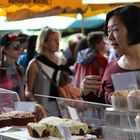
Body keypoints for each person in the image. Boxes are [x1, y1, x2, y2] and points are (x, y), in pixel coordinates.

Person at [80, 4, 140, 104]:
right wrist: (86, 91)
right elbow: (102, 105)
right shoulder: (111, 67)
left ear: (135, 29)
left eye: (115, 29)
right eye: (108, 31)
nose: (110, 37)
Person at [25, 28, 67, 117]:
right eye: (54, 40)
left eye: (58, 40)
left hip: (62, 111)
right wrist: (36, 106)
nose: (58, 43)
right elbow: (28, 91)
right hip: (43, 113)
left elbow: (65, 86)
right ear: (44, 43)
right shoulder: (35, 63)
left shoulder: (62, 62)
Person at [0, 32, 25, 101]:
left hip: (17, 109)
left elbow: (22, 96)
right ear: (5, 50)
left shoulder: (20, 69)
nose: (20, 49)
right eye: (16, 47)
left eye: (20, 46)